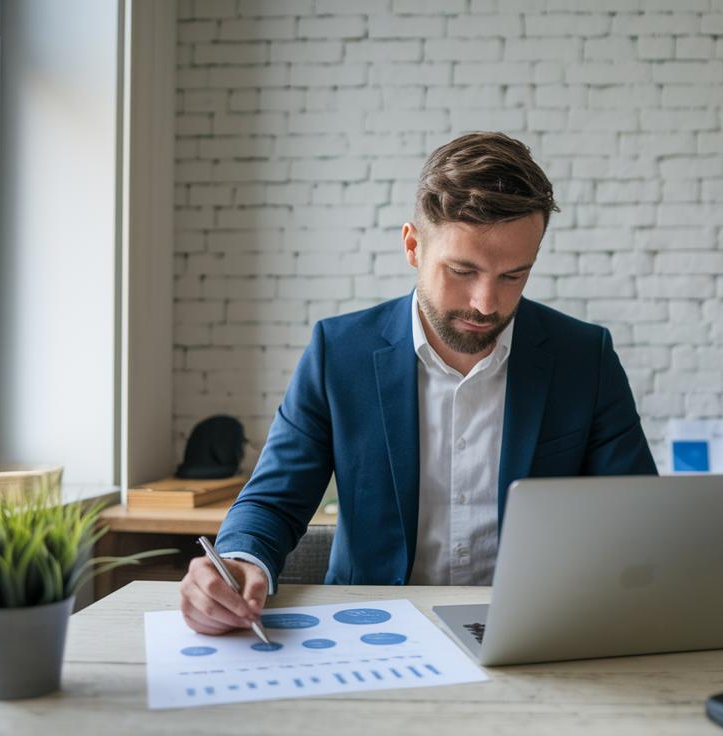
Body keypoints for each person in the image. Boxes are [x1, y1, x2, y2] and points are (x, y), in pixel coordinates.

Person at [179, 132, 658, 635]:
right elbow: (273, 500)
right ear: (412, 245)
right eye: (462, 271)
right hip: (372, 631)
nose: (485, 304)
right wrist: (238, 561)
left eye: (513, 276)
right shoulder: (337, 353)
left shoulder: (585, 357)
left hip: (537, 631)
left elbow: (638, 519)